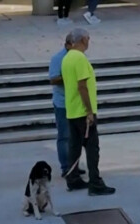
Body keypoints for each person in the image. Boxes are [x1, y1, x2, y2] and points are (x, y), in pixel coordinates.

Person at [62, 28, 116, 196]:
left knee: (75, 146)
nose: (89, 42)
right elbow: (82, 86)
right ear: (83, 40)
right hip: (82, 111)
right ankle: (95, 183)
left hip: (71, 110)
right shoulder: (79, 58)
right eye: (88, 39)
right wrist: (90, 112)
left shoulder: (67, 58)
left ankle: (73, 179)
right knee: (92, 148)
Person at [49, 33, 84, 180]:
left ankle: (74, 165)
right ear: (69, 44)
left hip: (76, 102)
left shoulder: (78, 57)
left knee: (75, 137)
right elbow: (53, 79)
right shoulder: (58, 58)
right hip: (63, 102)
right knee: (64, 136)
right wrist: (69, 77)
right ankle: (66, 167)